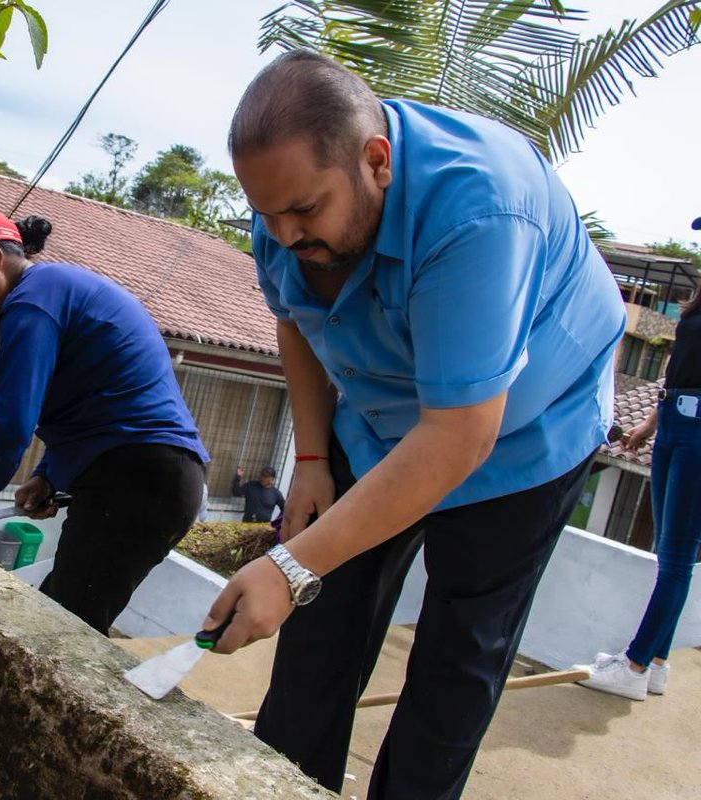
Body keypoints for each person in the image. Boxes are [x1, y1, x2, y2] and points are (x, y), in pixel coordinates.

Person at [201, 51, 626, 799]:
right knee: (318, 631)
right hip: (377, 415)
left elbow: (459, 434)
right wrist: (312, 459)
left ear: (377, 161)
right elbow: (293, 317)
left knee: (454, 665)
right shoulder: (286, 204)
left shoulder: (480, 210)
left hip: (524, 433)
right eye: (267, 216)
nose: (285, 234)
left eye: (305, 212)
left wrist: (291, 566)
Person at [0, 205, 209, 634]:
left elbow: (6, 431)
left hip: (141, 478)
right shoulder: (49, 291)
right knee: (58, 618)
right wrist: (48, 474)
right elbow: (84, 400)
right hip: (143, 473)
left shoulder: (31, 304)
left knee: (62, 633)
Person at [574, 290, 701, 700]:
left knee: (677, 561)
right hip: (673, 422)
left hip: (697, 436)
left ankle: (635, 666)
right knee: (671, 555)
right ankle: (656, 664)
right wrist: (651, 422)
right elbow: (682, 370)